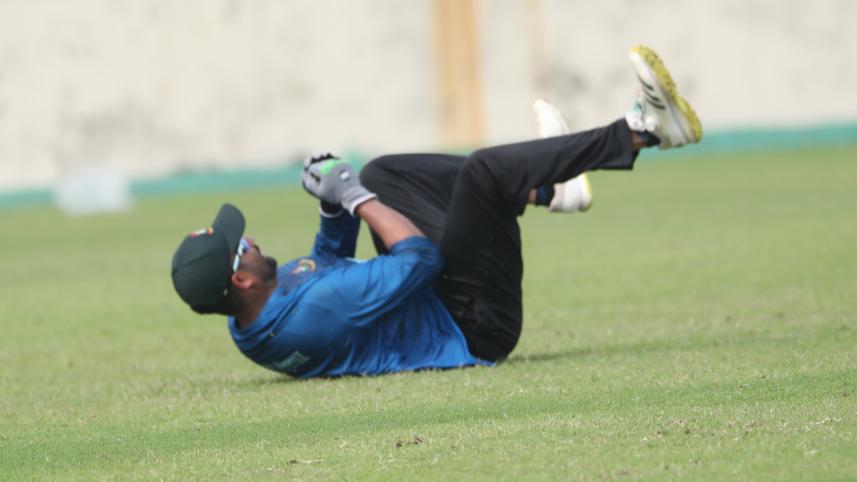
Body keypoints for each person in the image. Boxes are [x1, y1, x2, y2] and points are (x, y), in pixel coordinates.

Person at [171, 45, 702, 378]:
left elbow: (326, 264)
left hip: (438, 300)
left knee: (381, 174)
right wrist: (353, 197)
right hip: (474, 326)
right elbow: (420, 261)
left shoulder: (249, 318)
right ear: (241, 279)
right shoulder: (316, 312)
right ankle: (645, 131)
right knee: (482, 173)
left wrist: (334, 206)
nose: (251, 240)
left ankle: (546, 191)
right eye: (242, 246)